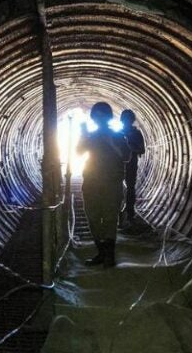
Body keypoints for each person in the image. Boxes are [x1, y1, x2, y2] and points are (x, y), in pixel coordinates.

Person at [77, 102, 130, 267]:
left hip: (112, 182)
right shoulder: (90, 136)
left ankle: (109, 255)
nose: (99, 119)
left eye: (102, 115)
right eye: (97, 115)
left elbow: (127, 157)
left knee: (109, 218)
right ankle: (101, 252)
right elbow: (78, 152)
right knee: (92, 217)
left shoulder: (118, 136)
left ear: (108, 117)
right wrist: (83, 136)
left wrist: (112, 144)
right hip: (92, 181)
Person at [120, 110, 145, 225]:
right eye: (125, 119)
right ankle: (121, 213)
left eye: (128, 119)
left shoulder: (136, 134)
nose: (126, 121)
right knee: (120, 188)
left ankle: (129, 213)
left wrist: (130, 147)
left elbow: (142, 150)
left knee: (130, 188)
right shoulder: (118, 133)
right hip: (120, 164)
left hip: (130, 164)